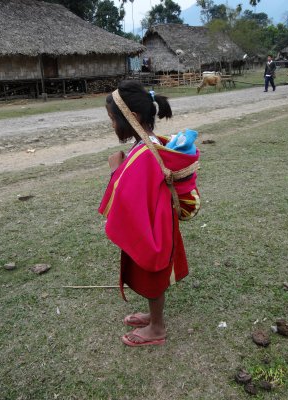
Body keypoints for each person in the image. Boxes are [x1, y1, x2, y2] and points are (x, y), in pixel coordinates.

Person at [98, 80, 200, 347]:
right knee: (147, 270)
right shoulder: (147, 143)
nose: (111, 124)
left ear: (134, 117)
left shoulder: (144, 153)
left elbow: (128, 196)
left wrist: (115, 169)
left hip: (153, 225)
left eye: (112, 118)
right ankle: (152, 316)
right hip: (155, 220)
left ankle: (157, 328)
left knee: (152, 273)